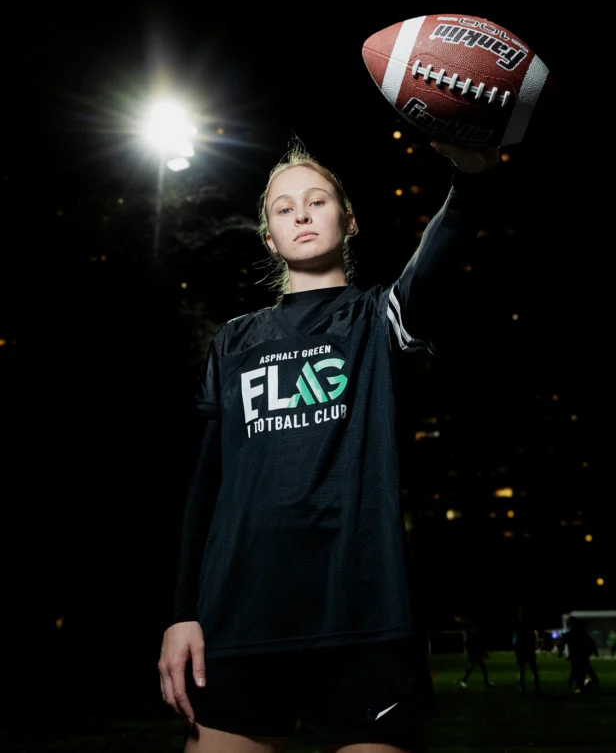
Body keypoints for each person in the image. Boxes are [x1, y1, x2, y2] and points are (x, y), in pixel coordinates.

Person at [156, 138, 506, 751]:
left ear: (348, 220)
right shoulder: (234, 342)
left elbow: (436, 259)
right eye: (283, 208)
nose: (301, 213)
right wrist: (182, 612)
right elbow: (204, 485)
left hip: (364, 613)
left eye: (317, 201)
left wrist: (471, 178)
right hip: (241, 612)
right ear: (268, 236)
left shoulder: (379, 318)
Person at [561, 617, 600, 692]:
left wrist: (561, 650)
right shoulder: (578, 632)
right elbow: (590, 642)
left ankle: (580, 684)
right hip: (580, 656)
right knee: (581, 670)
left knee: (578, 671)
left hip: (579, 655)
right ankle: (583, 684)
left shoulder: (576, 633)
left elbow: (590, 642)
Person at [512, 607, 541, 694]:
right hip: (525, 649)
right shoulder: (523, 625)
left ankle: (526, 688)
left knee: (526, 670)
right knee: (527, 670)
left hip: (524, 649)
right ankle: (531, 688)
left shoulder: (522, 625)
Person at [459, 620, 493, 689]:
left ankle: (486, 682)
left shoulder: (476, 634)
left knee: (483, 667)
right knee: (471, 667)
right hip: (473, 653)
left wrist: (483, 652)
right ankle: (463, 681)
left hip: (477, 653)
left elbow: (479, 644)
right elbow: (470, 644)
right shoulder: (472, 635)